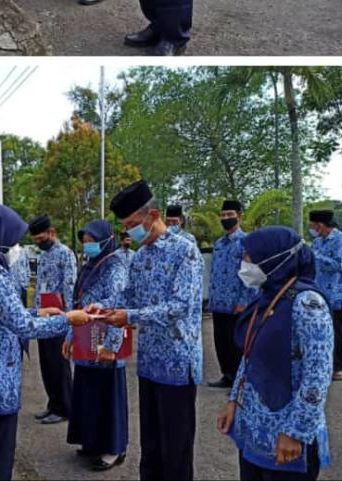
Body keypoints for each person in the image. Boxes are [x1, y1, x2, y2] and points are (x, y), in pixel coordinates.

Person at [0, 202, 89, 481]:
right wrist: (67, 319)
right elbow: (22, 326)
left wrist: (38, 311)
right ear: (0, 235)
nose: (17, 245)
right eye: (13, 239)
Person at [103, 180, 203, 481]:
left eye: (133, 224)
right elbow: (129, 295)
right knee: (151, 447)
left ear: (153, 214)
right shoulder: (141, 255)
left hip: (176, 363)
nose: (130, 232)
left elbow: (179, 307)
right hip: (148, 364)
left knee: (176, 450)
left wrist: (129, 315)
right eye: (125, 226)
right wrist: (100, 308)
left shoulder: (184, 251)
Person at [217, 226, 334, 481]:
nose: (244, 263)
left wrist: (296, 432)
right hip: (256, 429)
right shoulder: (269, 296)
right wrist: (234, 400)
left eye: (249, 257)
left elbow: (318, 376)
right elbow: (250, 355)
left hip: (287, 437)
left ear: (273, 259)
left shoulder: (308, 304)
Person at [64, 220, 129, 471]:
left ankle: (114, 448)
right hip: (85, 336)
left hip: (105, 338)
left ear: (106, 239)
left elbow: (118, 305)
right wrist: (70, 336)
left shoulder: (115, 266)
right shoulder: (91, 265)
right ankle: (92, 442)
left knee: (107, 395)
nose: (87, 245)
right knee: (88, 392)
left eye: (92, 240)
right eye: (85, 241)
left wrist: (112, 345)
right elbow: (77, 302)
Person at [29, 213, 78, 424]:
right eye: (36, 241)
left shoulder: (65, 254)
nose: (40, 243)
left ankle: (65, 408)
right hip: (43, 318)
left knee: (60, 366)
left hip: (59, 317)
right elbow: (40, 286)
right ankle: (53, 404)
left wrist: (68, 319)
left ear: (51, 233)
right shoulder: (44, 256)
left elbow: (69, 288)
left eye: (41, 239)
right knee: (47, 365)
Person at [208, 200, 258, 389]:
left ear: (239, 216)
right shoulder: (219, 244)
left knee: (236, 342)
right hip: (219, 302)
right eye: (223, 215)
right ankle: (227, 375)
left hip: (237, 303)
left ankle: (240, 377)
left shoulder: (247, 242)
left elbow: (251, 274)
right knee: (221, 342)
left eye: (230, 215)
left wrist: (245, 300)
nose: (226, 219)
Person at [309, 209, 342, 380]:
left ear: (321, 225)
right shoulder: (317, 242)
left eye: (313, 225)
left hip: (337, 293)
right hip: (319, 292)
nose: (312, 228)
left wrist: (316, 257)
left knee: (337, 329)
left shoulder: (341, 240)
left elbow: (340, 265)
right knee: (324, 329)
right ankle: (327, 364)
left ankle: (340, 367)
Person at [9, 241, 31, 306]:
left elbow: (28, 266)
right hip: (14, 285)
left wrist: (28, 278)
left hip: (25, 284)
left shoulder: (24, 251)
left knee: (29, 305)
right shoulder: (6, 253)